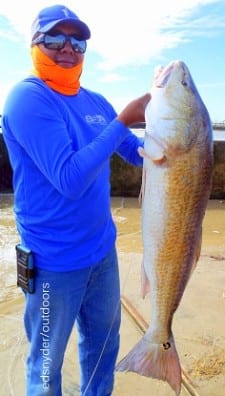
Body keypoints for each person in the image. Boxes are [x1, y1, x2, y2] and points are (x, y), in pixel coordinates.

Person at [2, 4, 150, 396]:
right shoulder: (26, 99)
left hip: (102, 254)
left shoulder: (96, 102)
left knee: (103, 347)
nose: (67, 48)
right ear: (35, 43)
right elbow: (69, 178)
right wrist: (122, 121)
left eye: (77, 40)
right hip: (52, 264)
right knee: (47, 363)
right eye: (54, 38)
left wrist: (178, 136)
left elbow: (137, 153)